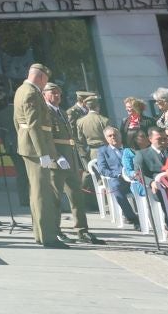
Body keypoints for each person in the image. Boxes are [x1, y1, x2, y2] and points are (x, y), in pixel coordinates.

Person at [14, 62, 62, 248]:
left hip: (29, 145)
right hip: (36, 148)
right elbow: (34, 124)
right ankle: (48, 237)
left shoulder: (21, 90)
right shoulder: (32, 92)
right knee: (42, 192)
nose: (45, 85)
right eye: (45, 81)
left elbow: (17, 122)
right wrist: (42, 152)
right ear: (41, 77)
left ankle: (40, 234)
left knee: (36, 191)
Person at [43, 80, 96, 243]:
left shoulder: (62, 112)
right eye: (53, 93)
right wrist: (56, 156)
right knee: (55, 197)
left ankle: (82, 229)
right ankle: (55, 229)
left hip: (70, 158)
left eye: (58, 93)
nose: (57, 96)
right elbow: (46, 138)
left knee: (76, 196)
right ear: (44, 95)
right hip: (56, 159)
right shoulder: (45, 112)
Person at [95, 127, 140, 229]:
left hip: (134, 177)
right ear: (106, 138)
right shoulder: (103, 151)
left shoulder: (128, 148)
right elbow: (102, 169)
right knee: (116, 188)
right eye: (109, 136)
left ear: (120, 135)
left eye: (115, 134)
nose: (113, 137)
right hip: (118, 179)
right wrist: (119, 174)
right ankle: (133, 219)